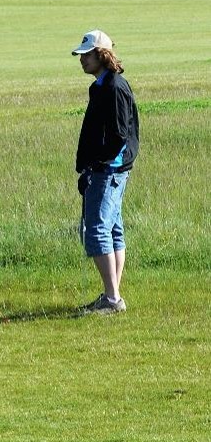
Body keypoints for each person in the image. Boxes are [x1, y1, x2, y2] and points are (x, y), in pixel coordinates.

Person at [72, 29, 139, 314]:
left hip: (109, 170)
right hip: (106, 168)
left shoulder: (114, 87)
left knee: (97, 230)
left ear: (101, 54)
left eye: (87, 54)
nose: (82, 60)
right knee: (112, 230)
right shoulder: (100, 85)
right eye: (81, 55)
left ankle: (112, 300)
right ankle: (112, 296)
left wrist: (96, 165)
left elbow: (119, 135)